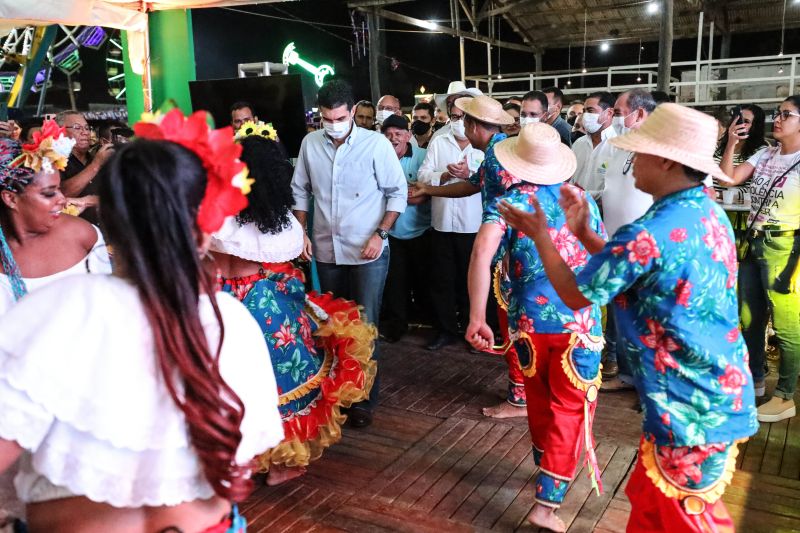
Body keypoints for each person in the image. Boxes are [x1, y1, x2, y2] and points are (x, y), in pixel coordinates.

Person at [0, 110, 285, 531]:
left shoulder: (58, 312)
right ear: (204, 232)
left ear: (107, 225)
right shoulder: (232, 322)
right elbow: (243, 459)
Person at [500, 103, 758, 532]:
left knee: (685, 517)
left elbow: (575, 294)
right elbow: (638, 268)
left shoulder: (648, 232)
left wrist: (543, 235)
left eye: (639, 152)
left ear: (668, 161)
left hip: (687, 406)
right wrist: (582, 233)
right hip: (712, 388)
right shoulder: (706, 212)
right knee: (651, 504)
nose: (630, 161)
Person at [210, 132, 376, 485]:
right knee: (279, 384)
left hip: (212, 300)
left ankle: (227, 460)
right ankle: (280, 464)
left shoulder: (212, 211)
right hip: (260, 305)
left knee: (222, 380)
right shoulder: (275, 220)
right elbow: (283, 252)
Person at [467, 123, 605, 532]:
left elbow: (481, 253)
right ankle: (546, 504)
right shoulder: (581, 199)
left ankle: (548, 471)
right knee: (570, 408)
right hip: (578, 320)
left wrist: (477, 316)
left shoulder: (509, 202)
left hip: (527, 321)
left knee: (541, 399)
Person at [291, 79, 407, 428]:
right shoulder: (311, 144)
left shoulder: (375, 145)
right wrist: (301, 231)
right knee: (333, 326)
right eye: (326, 117)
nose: (333, 123)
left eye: (339, 117)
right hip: (327, 249)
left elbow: (397, 193)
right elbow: (299, 191)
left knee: (365, 326)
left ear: (353, 112)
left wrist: (380, 233)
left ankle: (364, 400)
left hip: (368, 250)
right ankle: (337, 393)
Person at [412, 96, 528, 417]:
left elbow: (509, 207)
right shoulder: (497, 151)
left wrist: (505, 247)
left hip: (513, 254)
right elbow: (472, 185)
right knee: (514, 324)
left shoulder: (496, 158)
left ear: (474, 126)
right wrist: (429, 190)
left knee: (513, 324)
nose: (461, 125)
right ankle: (523, 392)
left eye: (464, 120)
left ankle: (521, 398)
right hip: (513, 249)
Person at [720, 96, 800, 423]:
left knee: (786, 325)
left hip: (785, 245)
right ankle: (754, 379)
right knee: (749, 315)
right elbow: (728, 178)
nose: (777, 119)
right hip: (754, 242)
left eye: (786, 114)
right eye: (777, 114)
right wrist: (730, 145)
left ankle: (784, 395)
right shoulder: (764, 153)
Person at [0, 121, 110, 313]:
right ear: (10, 198)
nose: (63, 199)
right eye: (49, 193)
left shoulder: (84, 236)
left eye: (59, 189)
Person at [588, 89, 657, 389]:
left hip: (647, 248)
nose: (613, 117)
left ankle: (651, 385)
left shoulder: (660, 147)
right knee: (624, 316)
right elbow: (611, 188)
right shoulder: (621, 146)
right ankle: (628, 376)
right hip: (616, 244)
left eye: (618, 111)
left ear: (640, 114)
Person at [417, 94, 485, 351]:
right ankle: (445, 330)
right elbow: (423, 174)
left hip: (473, 223)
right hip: (443, 221)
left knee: (472, 281)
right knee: (442, 279)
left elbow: (487, 181)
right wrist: (444, 174)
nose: (457, 122)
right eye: (454, 116)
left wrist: (470, 176)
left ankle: (474, 331)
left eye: (462, 117)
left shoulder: (483, 143)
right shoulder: (439, 139)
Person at [380, 114, 432, 343]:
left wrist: (397, 195)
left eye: (398, 134)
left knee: (425, 282)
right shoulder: (379, 158)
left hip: (421, 230)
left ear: (408, 135)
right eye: (388, 134)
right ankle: (397, 327)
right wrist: (404, 194)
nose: (393, 139)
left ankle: (429, 325)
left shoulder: (422, 156)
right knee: (395, 283)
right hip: (392, 233)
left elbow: (423, 194)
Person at [56, 110, 114, 224]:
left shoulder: (97, 158)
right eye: (77, 128)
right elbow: (60, 196)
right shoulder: (53, 162)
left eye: (87, 128)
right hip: (73, 233)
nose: (85, 132)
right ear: (60, 132)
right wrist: (96, 165)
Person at [571, 91, 616, 192]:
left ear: (609, 113)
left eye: (590, 111)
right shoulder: (579, 143)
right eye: (584, 111)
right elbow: (571, 178)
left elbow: (617, 189)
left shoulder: (619, 146)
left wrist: (585, 196)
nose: (586, 115)